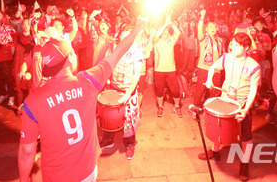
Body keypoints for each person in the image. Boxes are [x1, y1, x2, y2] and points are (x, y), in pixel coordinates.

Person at [18, 17, 146, 182]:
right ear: (69, 60)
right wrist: (137, 29)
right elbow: (119, 51)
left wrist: (23, 178)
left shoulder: (32, 102)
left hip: (55, 177)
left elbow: (27, 151)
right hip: (88, 172)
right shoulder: (88, 81)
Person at [201, 32, 261, 181]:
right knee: (218, 126)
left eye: (236, 45)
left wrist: (245, 110)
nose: (232, 47)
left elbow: (253, 89)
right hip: (226, 99)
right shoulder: (227, 58)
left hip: (241, 104)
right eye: (232, 44)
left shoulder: (254, 66)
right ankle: (215, 152)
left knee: (245, 135)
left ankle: (244, 164)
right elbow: (212, 67)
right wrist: (209, 79)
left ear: (246, 47)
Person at [99, 25, 144, 160]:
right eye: (123, 36)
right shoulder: (115, 47)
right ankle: (108, 140)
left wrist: (127, 94)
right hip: (114, 88)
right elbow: (108, 64)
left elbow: (136, 75)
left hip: (128, 91)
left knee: (129, 119)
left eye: (128, 36)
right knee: (109, 116)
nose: (125, 39)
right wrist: (106, 81)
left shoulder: (137, 50)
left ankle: (130, 144)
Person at [193, 10, 225, 110]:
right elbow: (199, 29)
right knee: (200, 90)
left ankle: (210, 109)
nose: (213, 29)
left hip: (217, 70)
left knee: (214, 91)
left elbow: (223, 54)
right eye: (210, 27)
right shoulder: (203, 39)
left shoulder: (220, 40)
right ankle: (196, 109)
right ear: (206, 29)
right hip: (204, 69)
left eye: (215, 27)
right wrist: (202, 17)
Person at [153, 14, 182, 117]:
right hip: (159, 70)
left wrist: (171, 24)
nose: (165, 33)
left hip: (171, 69)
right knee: (159, 90)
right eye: (163, 32)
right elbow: (157, 35)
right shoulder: (156, 41)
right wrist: (165, 24)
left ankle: (177, 106)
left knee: (175, 90)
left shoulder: (171, 40)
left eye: (166, 31)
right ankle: (160, 107)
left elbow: (178, 32)